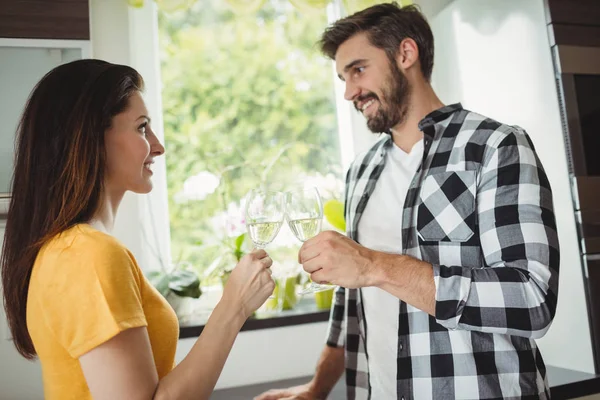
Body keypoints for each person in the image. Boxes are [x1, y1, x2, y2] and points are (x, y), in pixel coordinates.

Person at [256, 3, 559, 400]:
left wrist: (376, 266)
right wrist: (317, 389)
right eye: (343, 78)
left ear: (405, 54)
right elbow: (352, 303)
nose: (349, 92)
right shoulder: (361, 171)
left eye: (358, 70)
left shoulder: (495, 146)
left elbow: (532, 299)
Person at [0, 59, 275, 400]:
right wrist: (233, 306)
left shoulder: (68, 248)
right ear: (89, 137)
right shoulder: (88, 254)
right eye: (142, 127)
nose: (158, 146)